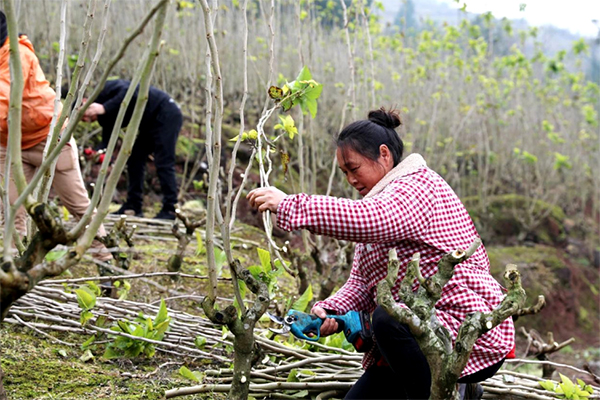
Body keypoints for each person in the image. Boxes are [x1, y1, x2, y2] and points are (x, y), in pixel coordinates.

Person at [247, 108, 515, 399]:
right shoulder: (379, 201)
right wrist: (333, 311)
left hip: (462, 331)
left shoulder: (418, 186)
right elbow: (362, 283)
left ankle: (455, 390)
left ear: (384, 155)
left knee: (388, 318)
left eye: (354, 168)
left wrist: (290, 205)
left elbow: (370, 219)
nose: (350, 179)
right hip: (410, 340)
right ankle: (458, 391)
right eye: (345, 173)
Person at [0, 12, 113, 276]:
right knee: (11, 209)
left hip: (50, 140)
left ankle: (107, 261)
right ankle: (12, 271)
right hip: (9, 144)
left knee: (77, 205)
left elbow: (3, 99)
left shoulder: (18, 55)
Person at [82, 79, 182, 220]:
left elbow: (132, 91)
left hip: (166, 113)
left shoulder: (106, 89)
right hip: (148, 123)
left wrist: (104, 107)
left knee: (164, 161)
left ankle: (170, 209)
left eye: (84, 115)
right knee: (134, 158)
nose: (86, 120)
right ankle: (133, 205)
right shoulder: (104, 117)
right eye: (83, 120)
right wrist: (98, 152)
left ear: (86, 102)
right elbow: (108, 138)